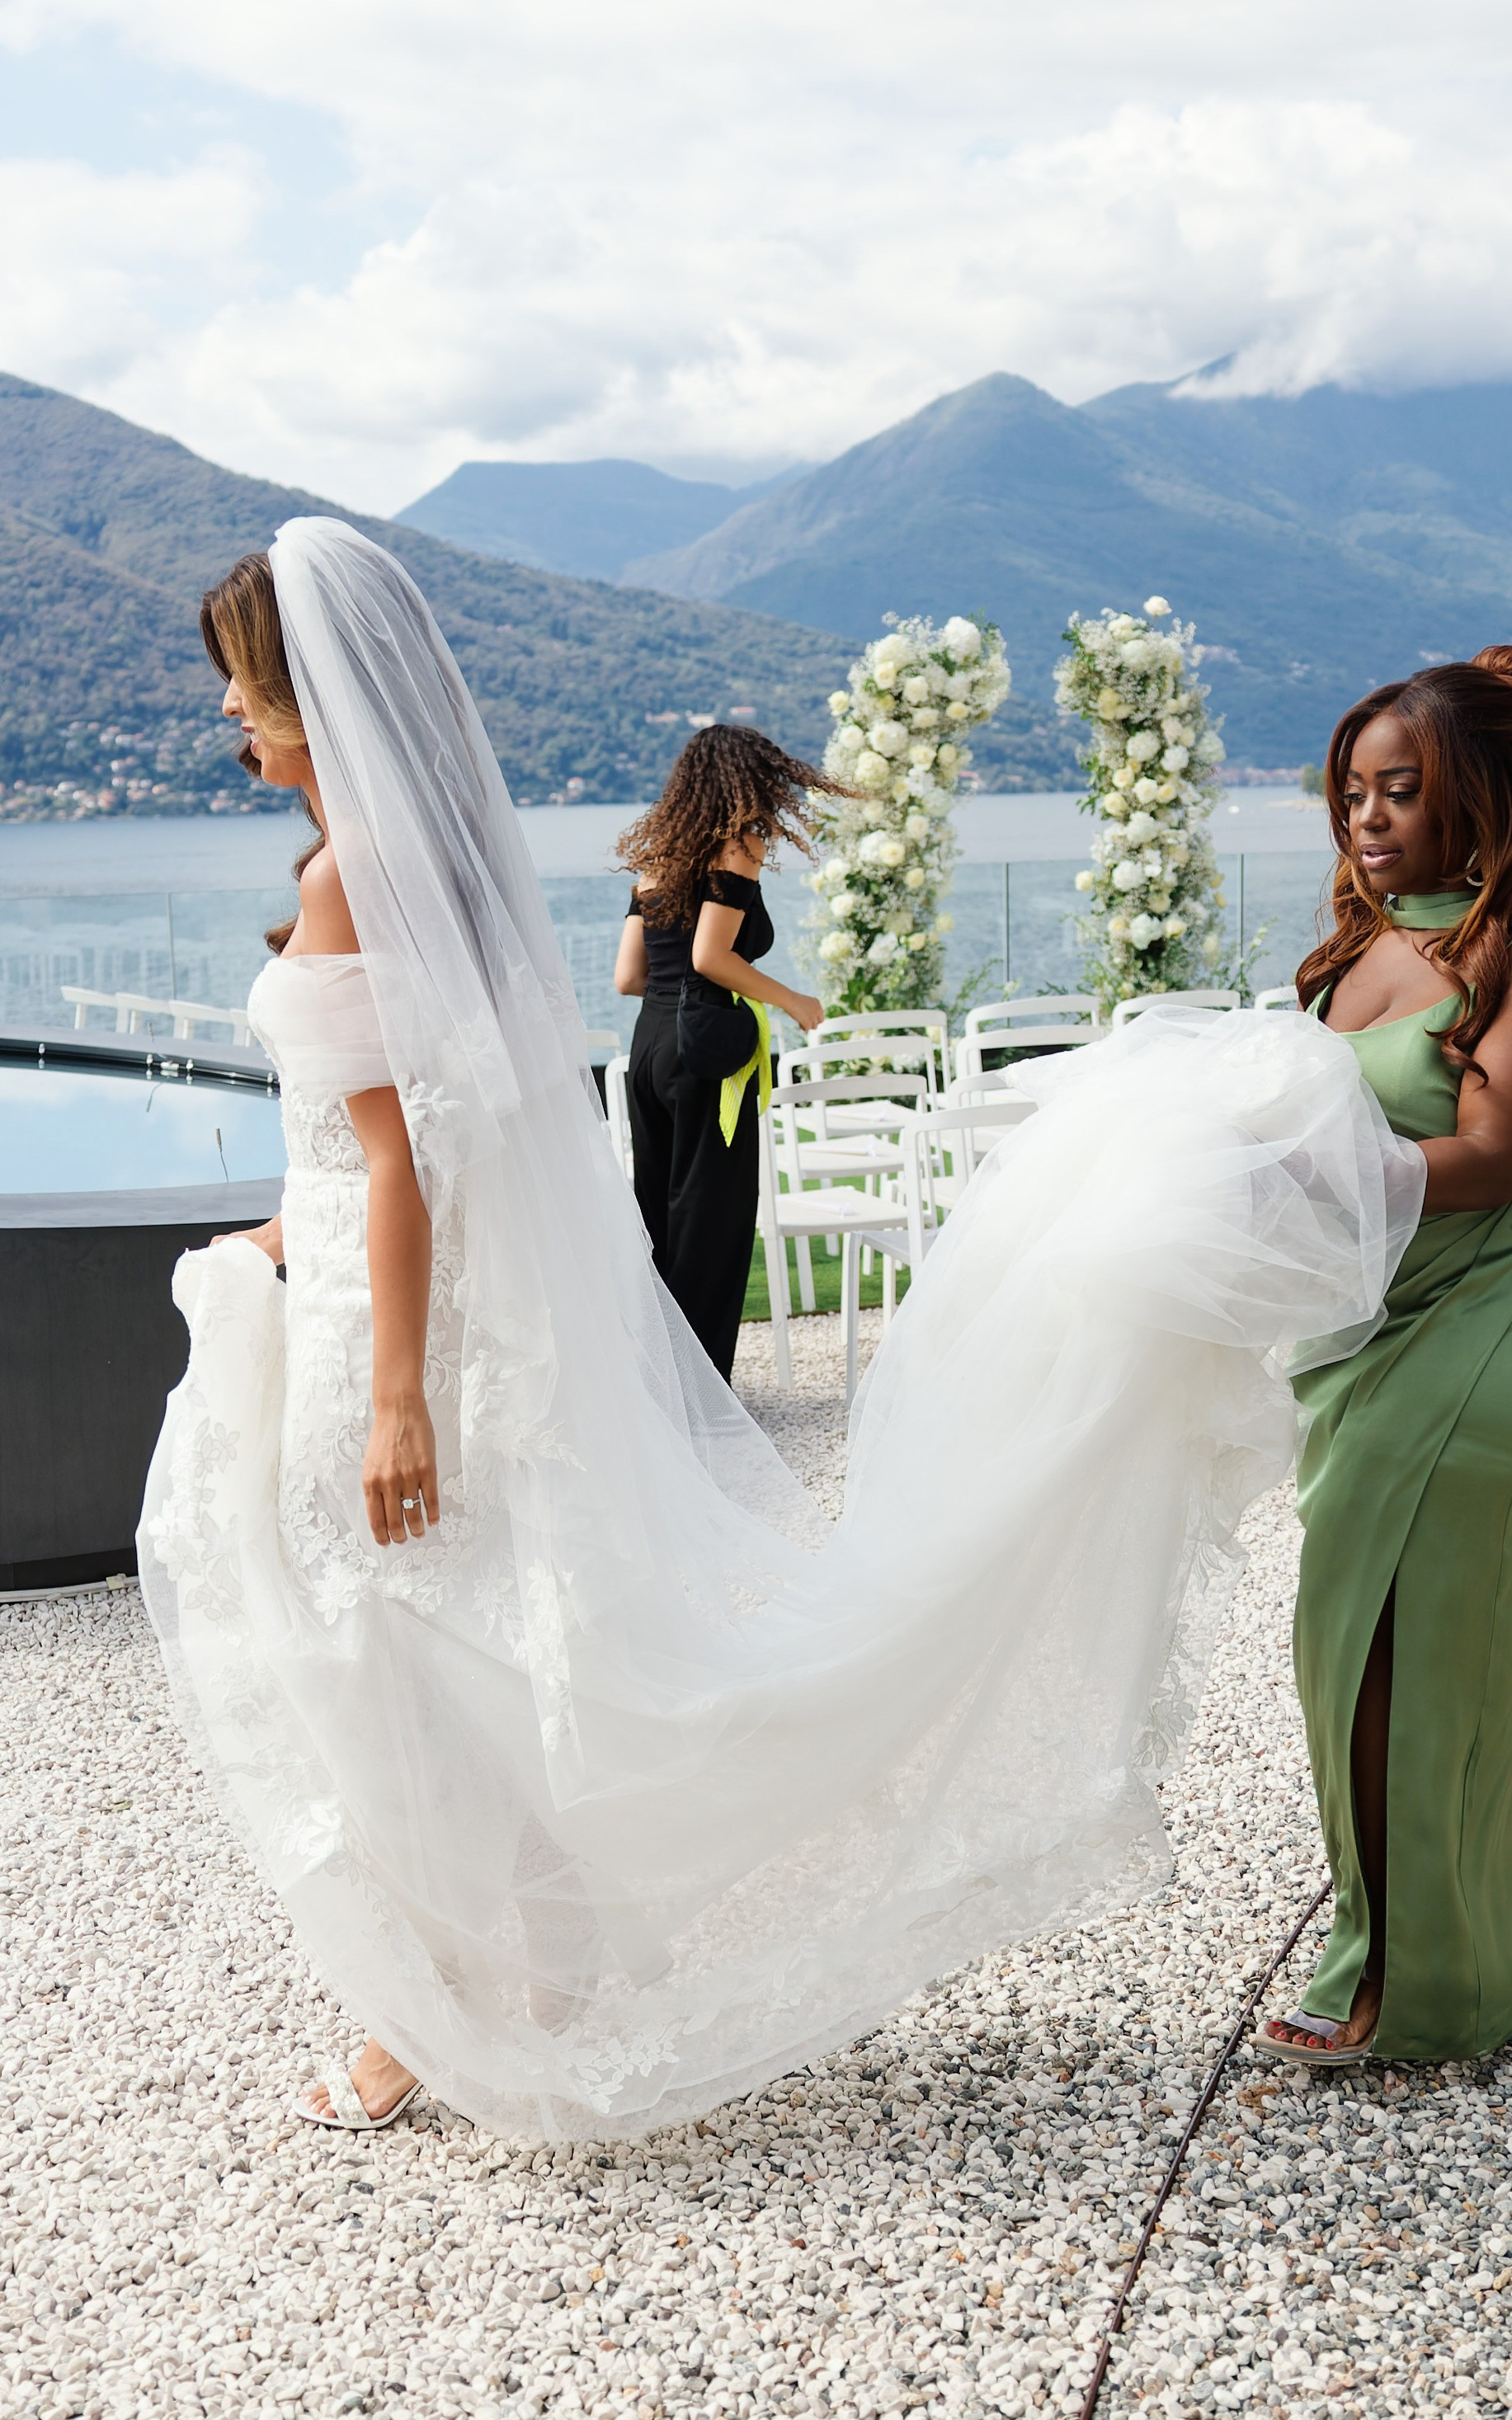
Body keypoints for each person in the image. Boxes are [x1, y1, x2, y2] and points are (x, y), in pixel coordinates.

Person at [141, 521, 1425, 2140]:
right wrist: (277, 1233)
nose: (234, 728)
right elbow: (389, 1142)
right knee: (438, 1662)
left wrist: (396, 1393)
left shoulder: (347, 882)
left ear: (314, 709)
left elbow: (403, 1160)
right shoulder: (416, 877)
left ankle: (437, 2016)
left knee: (395, 1668)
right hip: (355, 1294)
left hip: (380, 1342)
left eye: (246, 699)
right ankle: (483, 1993)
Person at [1255, 647, 1512, 2069]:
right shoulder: (1358, 948)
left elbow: (1489, 1159)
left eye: (1403, 791)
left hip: (1491, 1327)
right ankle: (1387, 1939)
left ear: (1483, 795)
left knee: (1433, 1660)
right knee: (1341, 1653)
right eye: (1353, 792)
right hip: (1364, 1333)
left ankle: (1436, 1984)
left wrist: (1297, 1180)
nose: (1370, 816)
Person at [614, 731, 830, 1377]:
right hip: (704, 1054)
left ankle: (656, 1384)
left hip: (649, 1046)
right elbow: (712, 956)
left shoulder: (657, 852)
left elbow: (627, 977)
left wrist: (677, 994)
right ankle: (701, 1397)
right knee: (711, 1222)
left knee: (659, 1217)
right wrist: (793, 999)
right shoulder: (737, 846)